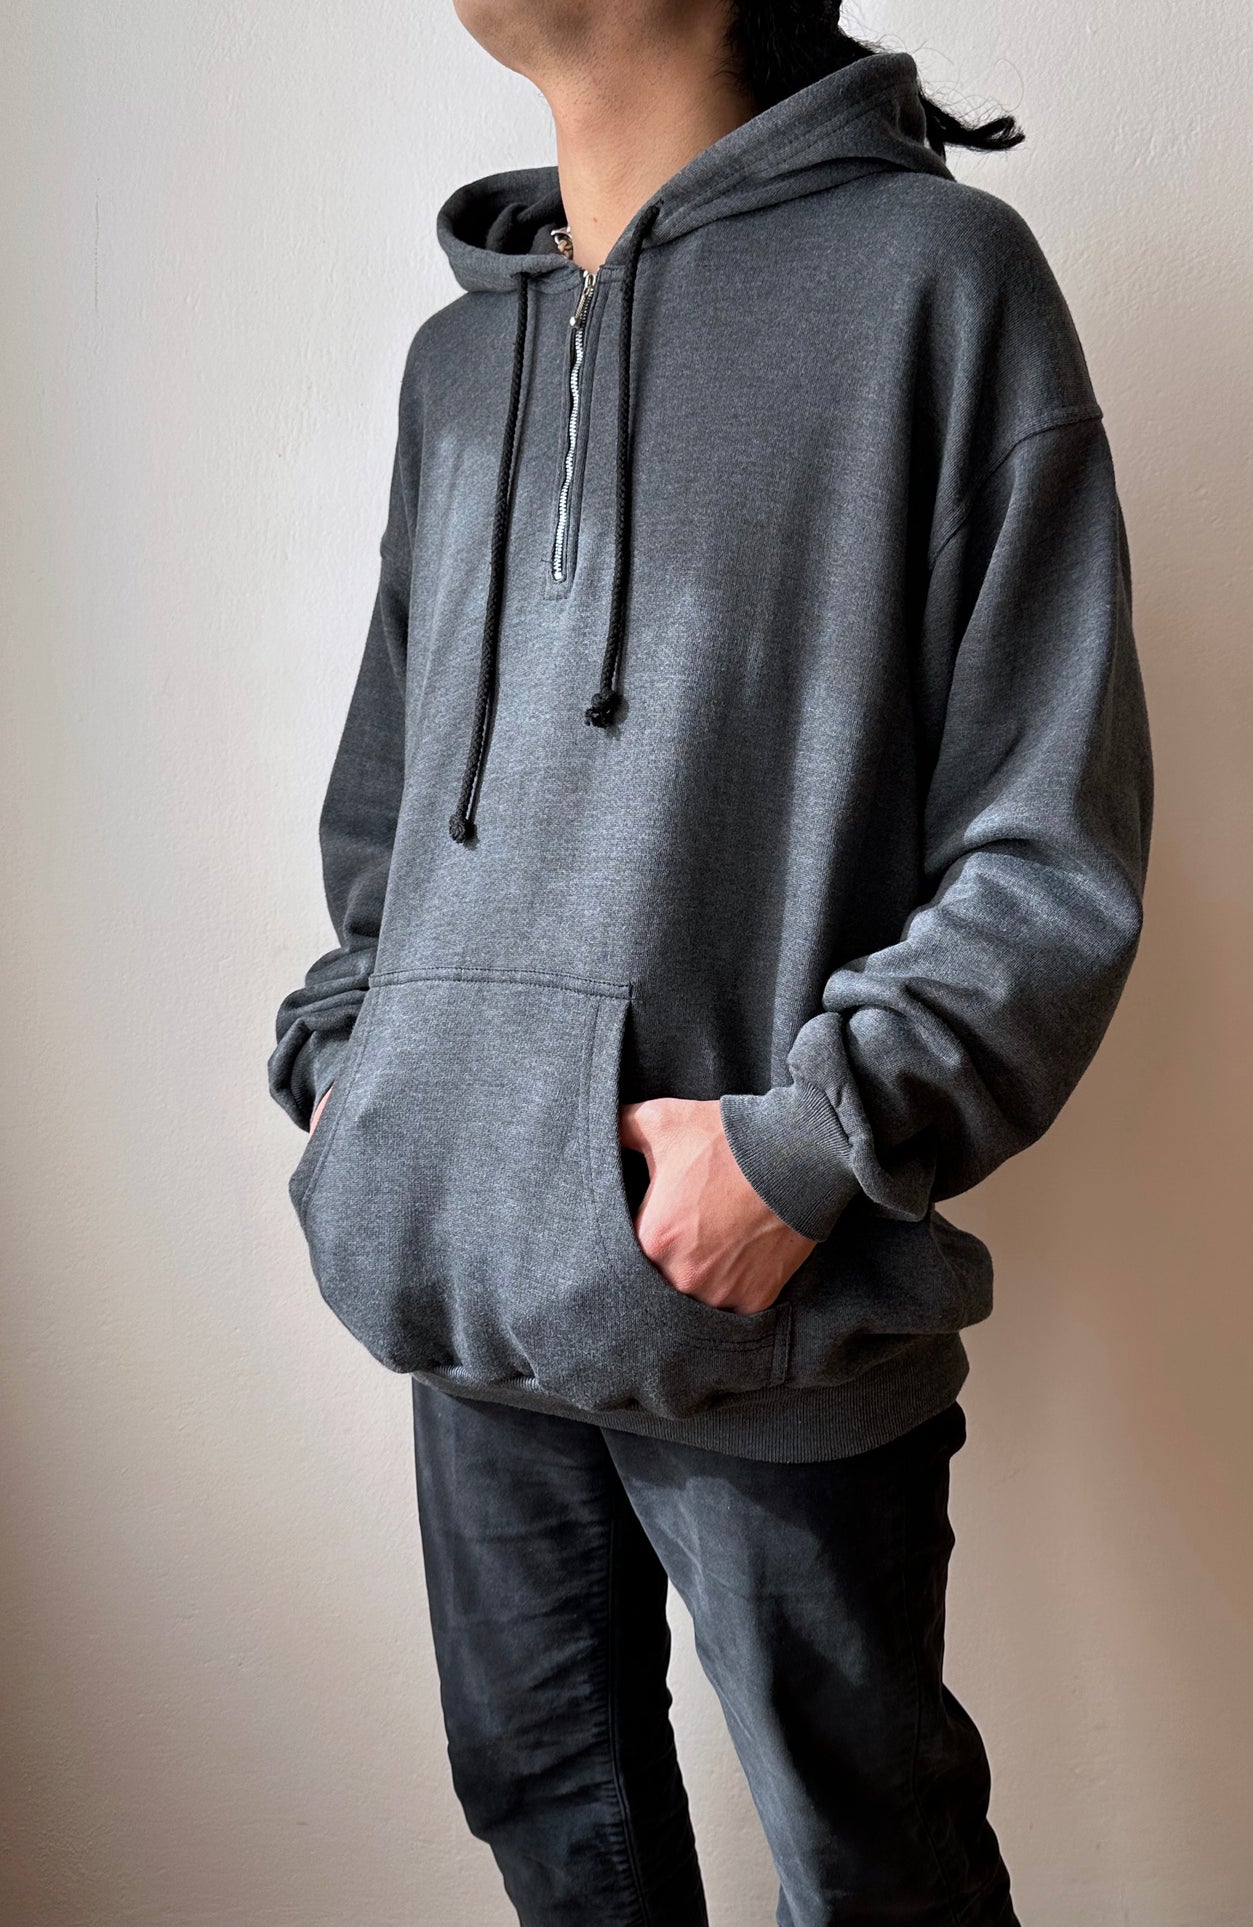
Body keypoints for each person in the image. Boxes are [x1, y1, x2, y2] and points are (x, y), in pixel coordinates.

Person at [268, 1, 1152, 1919]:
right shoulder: (458, 360)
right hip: (467, 1292)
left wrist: (800, 1153)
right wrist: (358, 1083)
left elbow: (1046, 846)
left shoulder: (936, 282)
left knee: (870, 1863)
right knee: (547, 1822)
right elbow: (384, 814)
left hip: (769, 1292)